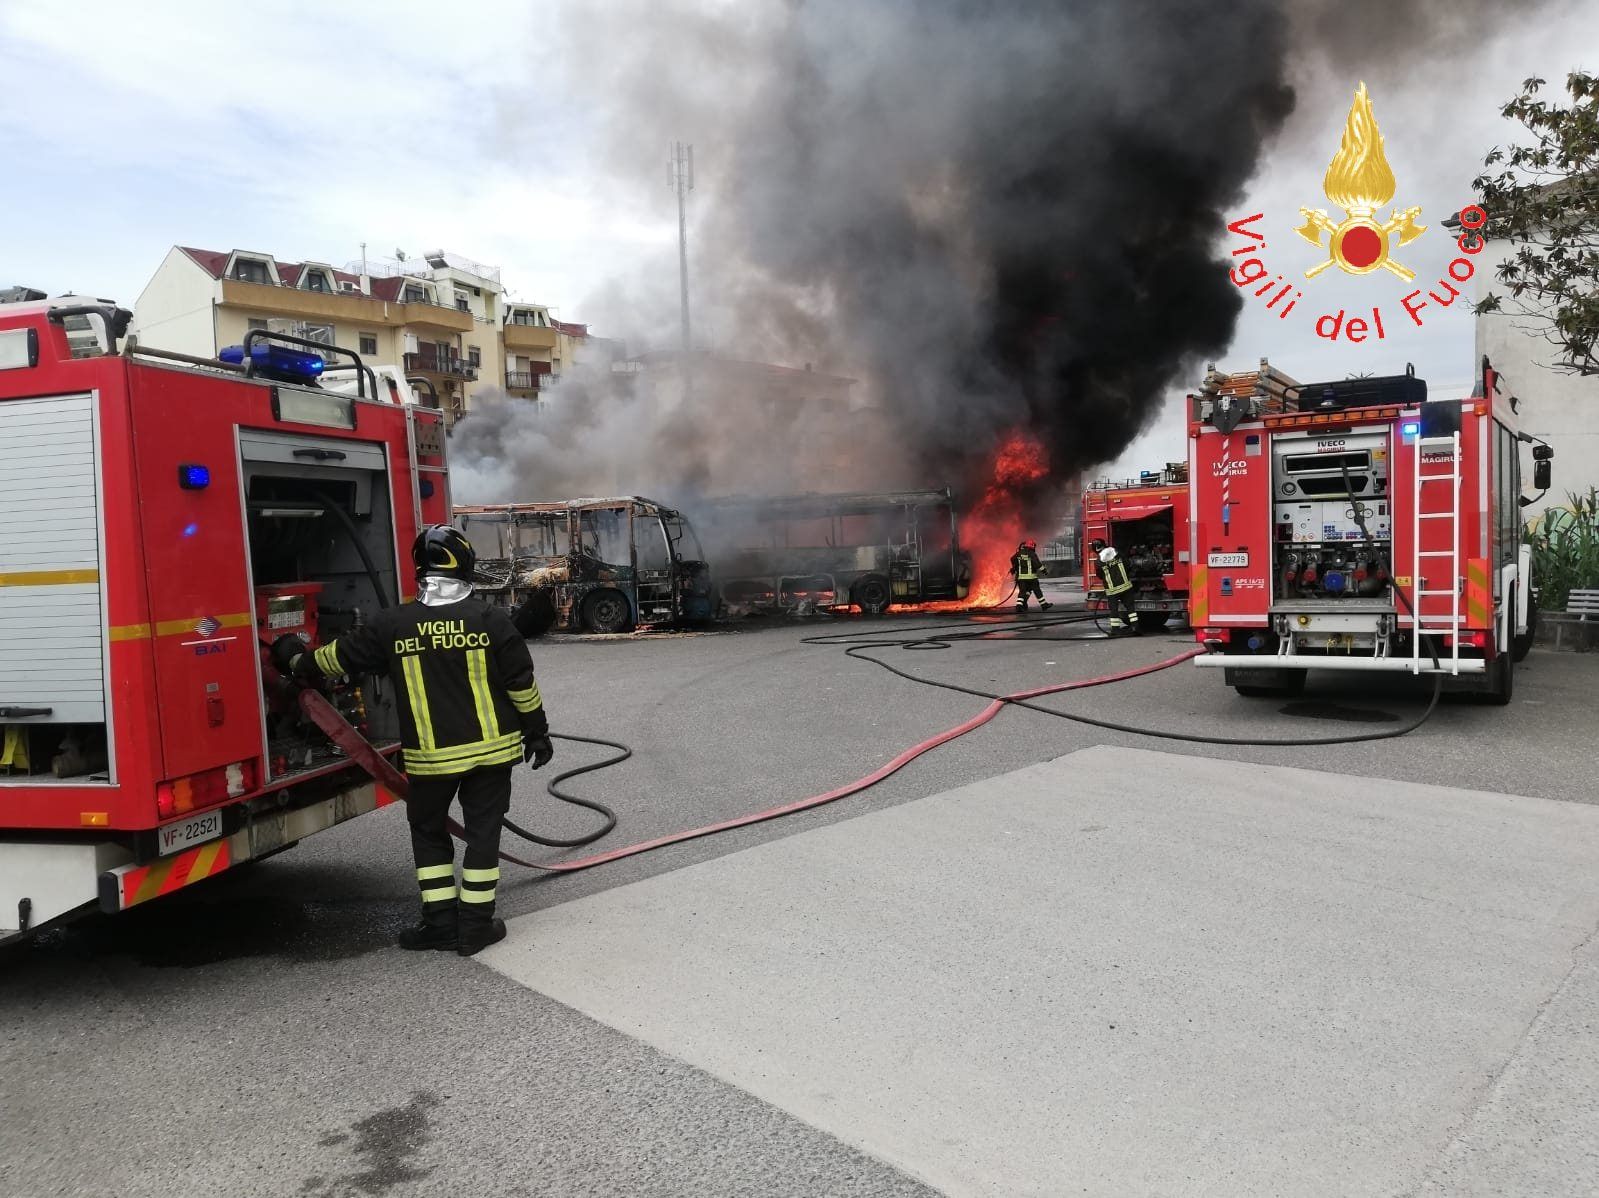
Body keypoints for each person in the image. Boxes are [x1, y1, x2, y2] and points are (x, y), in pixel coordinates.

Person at [271, 526, 554, 957]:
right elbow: (521, 686)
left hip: (429, 762)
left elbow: (334, 660)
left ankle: (439, 923)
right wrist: (537, 732)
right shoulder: (490, 620)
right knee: (483, 836)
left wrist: (292, 656)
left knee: (429, 834)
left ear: (420, 567)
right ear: (466, 563)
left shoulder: (391, 624)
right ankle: (476, 927)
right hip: (491, 755)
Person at [1098, 545, 1140, 636]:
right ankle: (1135, 627)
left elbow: (1100, 575)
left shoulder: (1100, 562)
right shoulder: (1119, 555)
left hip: (1112, 590)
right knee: (1130, 608)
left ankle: (1115, 630)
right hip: (1125, 587)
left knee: (1114, 610)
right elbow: (1128, 565)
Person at [1010, 539, 1053, 612]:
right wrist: (1044, 571)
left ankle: (1019, 606)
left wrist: (1015, 566)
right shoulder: (1032, 554)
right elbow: (1037, 564)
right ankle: (1044, 605)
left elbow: (1012, 559)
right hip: (1031, 578)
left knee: (1023, 592)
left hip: (1021, 578)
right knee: (1037, 591)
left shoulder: (1019, 553)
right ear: (1032, 546)